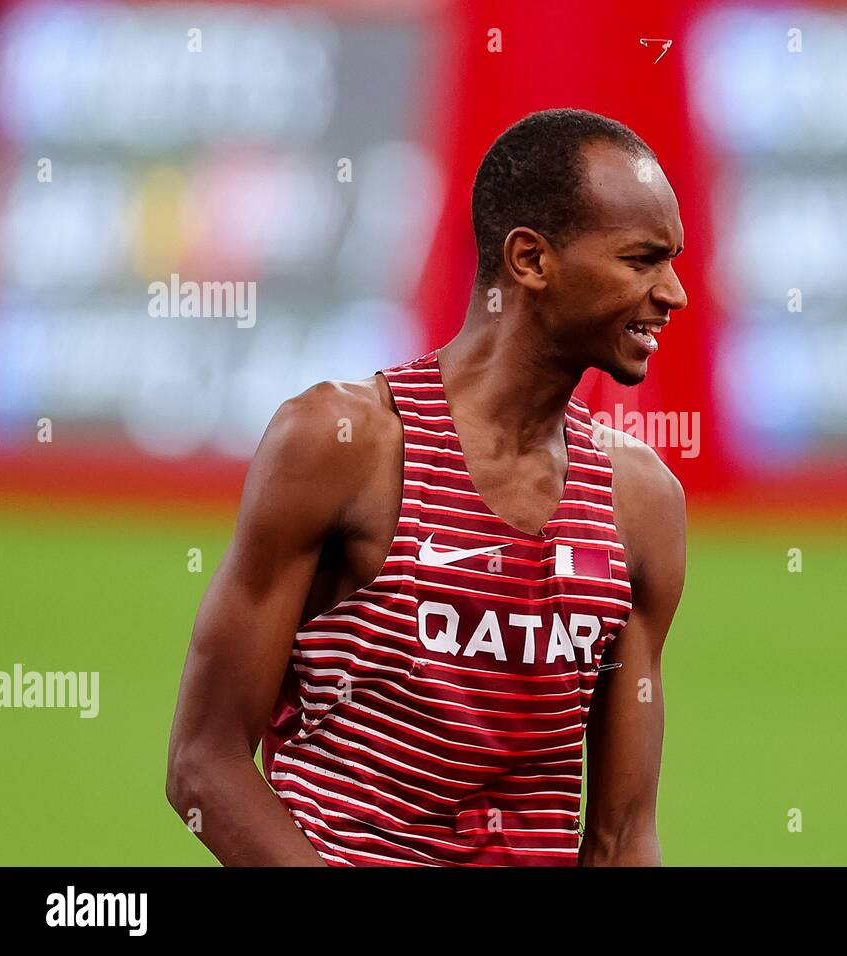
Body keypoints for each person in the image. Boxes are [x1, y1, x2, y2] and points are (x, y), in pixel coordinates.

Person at [166, 108, 688, 866]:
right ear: (531, 261)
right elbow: (202, 767)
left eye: (671, 261)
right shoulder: (342, 445)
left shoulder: (642, 505)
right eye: (641, 260)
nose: (672, 293)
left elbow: (622, 837)